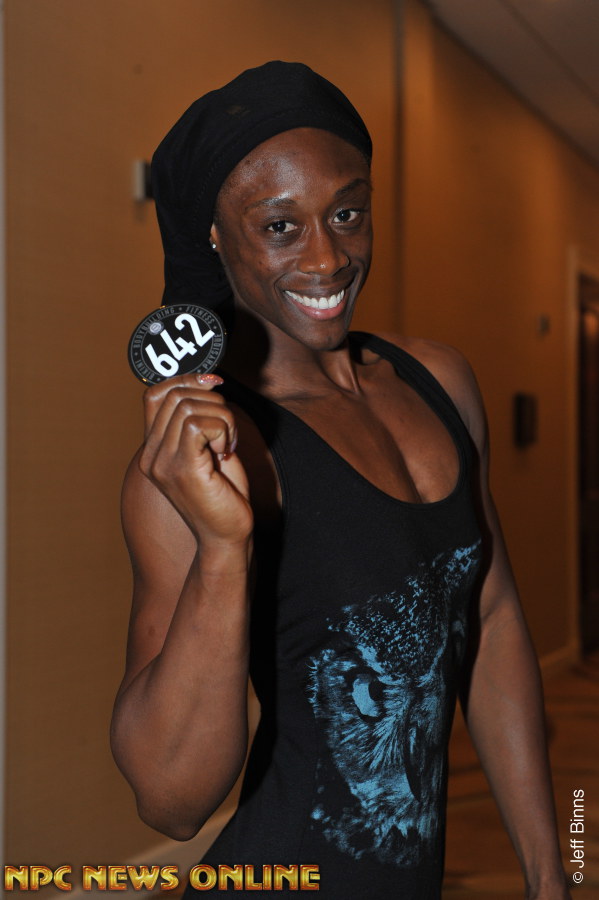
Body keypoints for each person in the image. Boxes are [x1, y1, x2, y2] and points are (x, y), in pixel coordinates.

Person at [111, 62, 569, 899]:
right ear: (214, 235)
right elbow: (170, 802)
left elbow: (491, 614)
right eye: (279, 226)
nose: (327, 257)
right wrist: (223, 548)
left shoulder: (438, 381)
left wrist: (552, 874)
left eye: (347, 213)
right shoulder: (208, 462)